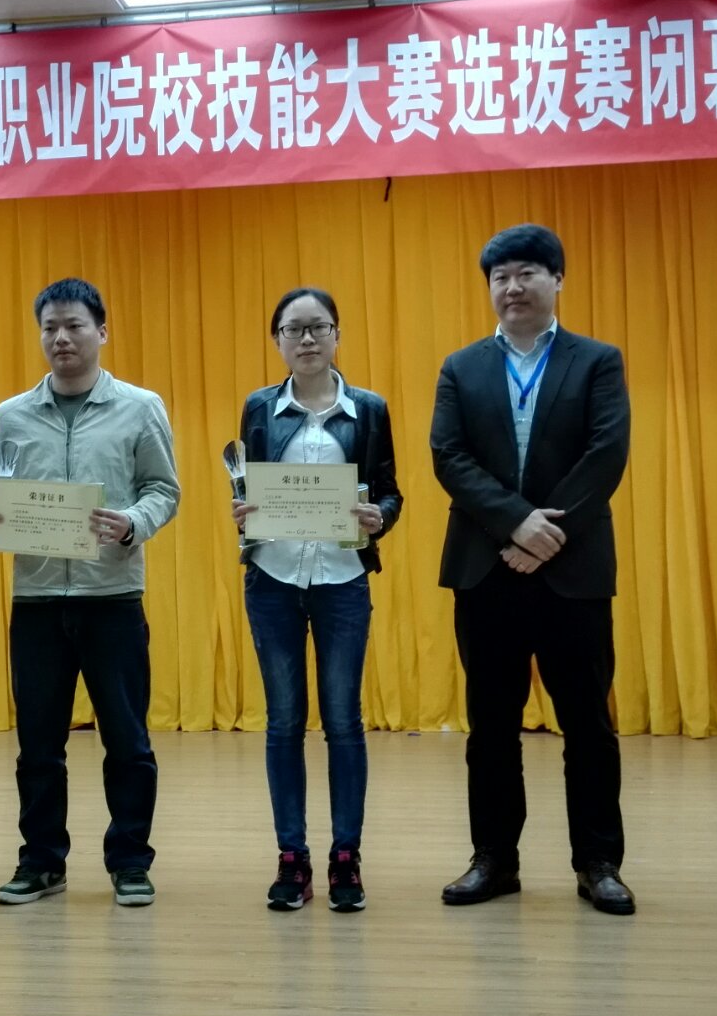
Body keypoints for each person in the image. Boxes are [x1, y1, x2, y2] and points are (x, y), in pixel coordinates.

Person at [429, 224, 636, 915]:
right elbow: (449, 456)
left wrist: (546, 534)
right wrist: (515, 523)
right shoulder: (461, 367)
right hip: (486, 570)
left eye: (526, 273)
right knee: (491, 726)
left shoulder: (596, 360)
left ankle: (598, 862)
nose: (512, 287)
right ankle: (493, 859)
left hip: (573, 572)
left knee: (588, 724)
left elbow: (606, 453)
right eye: (500, 277)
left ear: (557, 280)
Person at [0, 277, 180, 907]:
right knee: (38, 745)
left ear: (102, 331)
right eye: (50, 328)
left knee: (128, 741)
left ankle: (130, 861)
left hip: (112, 597)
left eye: (74, 326)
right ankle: (42, 862)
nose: (61, 338)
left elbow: (163, 490)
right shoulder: (12, 414)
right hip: (37, 602)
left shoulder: (140, 407)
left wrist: (133, 522)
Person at [231, 286, 401, 913]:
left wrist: (380, 516)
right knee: (282, 722)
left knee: (344, 722)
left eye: (318, 327)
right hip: (272, 579)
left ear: (337, 335)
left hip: (342, 580)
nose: (306, 339)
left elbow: (390, 491)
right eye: (293, 329)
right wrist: (243, 510)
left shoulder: (370, 409)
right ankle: (292, 857)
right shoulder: (258, 408)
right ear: (277, 340)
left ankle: (346, 857)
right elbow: (248, 487)